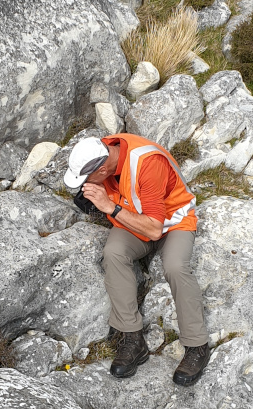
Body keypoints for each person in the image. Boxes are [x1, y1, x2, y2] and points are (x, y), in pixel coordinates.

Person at [63, 134, 210, 386]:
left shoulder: (148, 164)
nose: (83, 185)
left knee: (175, 266)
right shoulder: (102, 148)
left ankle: (197, 345)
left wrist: (109, 207)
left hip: (172, 223)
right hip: (134, 218)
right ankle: (133, 338)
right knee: (113, 253)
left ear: (102, 169)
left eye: (87, 180)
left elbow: (153, 230)